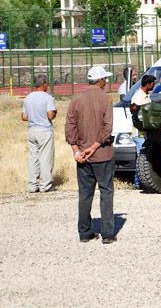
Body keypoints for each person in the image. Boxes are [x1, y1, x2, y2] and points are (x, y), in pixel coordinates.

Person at [65, 66, 116, 244]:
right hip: (102, 154)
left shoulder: (76, 100)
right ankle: (108, 233)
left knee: (85, 194)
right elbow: (107, 129)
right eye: (105, 79)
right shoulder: (106, 99)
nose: (106, 82)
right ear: (100, 80)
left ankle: (85, 232)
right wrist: (94, 147)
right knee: (106, 192)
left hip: (82, 157)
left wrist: (76, 150)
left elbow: (70, 127)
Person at [21, 75, 56, 193]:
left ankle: (32, 185)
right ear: (44, 84)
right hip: (44, 130)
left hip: (32, 130)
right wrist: (54, 114)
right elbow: (50, 115)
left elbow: (24, 117)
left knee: (33, 158)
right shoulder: (48, 98)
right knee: (45, 158)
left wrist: (34, 116)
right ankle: (45, 186)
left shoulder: (27, 98)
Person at [130, 74, 156, 189]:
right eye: (153, 84)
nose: (154, 86)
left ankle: (139, 183)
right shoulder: (138, 97)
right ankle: (137, 183)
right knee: (141, 157)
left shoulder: (146, 96)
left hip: (145, 133)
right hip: (139, 133)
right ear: (148, 84)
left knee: (143, 158)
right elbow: (136, 117)